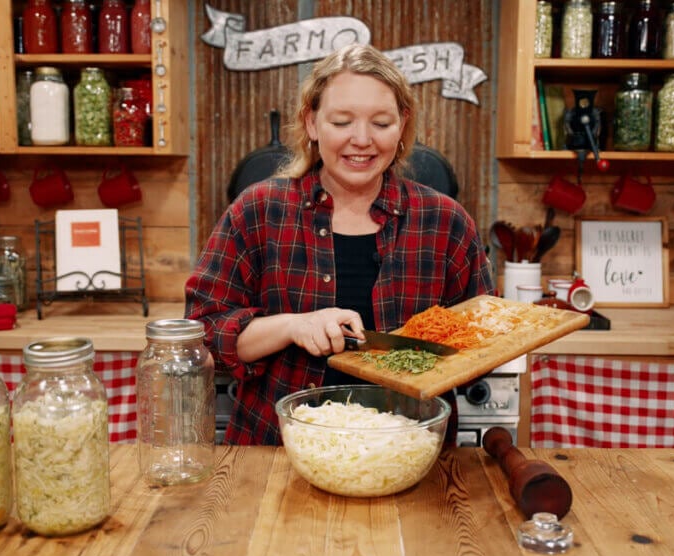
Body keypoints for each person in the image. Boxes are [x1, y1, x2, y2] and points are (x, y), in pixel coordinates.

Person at [185, 43, 495, 445]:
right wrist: (293, 325)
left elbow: (486, 344)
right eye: (342, 121)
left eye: (381, 123)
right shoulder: (259, 210)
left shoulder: (445, 222)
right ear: (312, 123)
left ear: (402, 125)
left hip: (409, 451)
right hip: (278, 455)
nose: (361, 140)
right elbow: (201, 335)